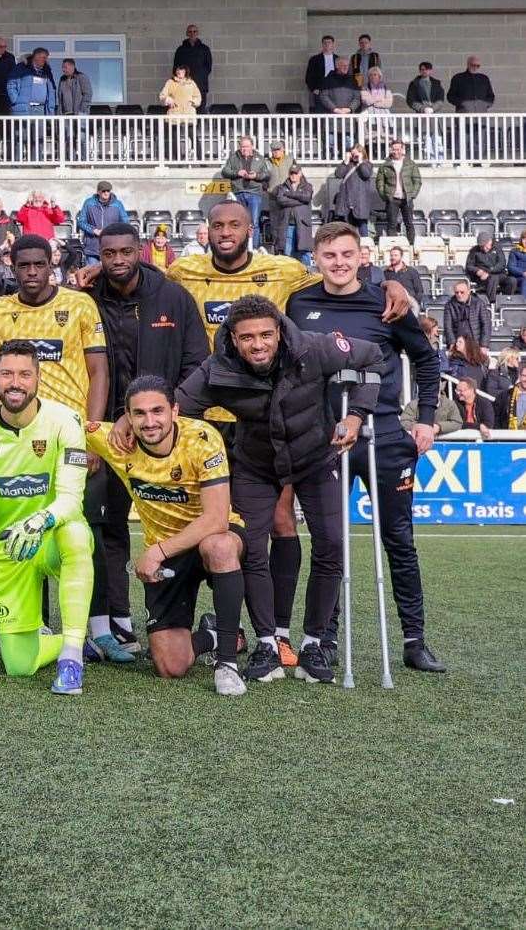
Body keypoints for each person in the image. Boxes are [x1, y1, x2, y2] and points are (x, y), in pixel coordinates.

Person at [145, 294, 381, 685]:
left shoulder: (313, 347)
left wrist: (355, 416)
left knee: (331, 544)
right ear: (233, 339)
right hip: (256, 465)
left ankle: (313, 643)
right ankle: (267, 643)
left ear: (279, 332)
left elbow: (373, 357)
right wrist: (223, 439)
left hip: (315, 459)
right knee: (252, 548)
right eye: (248, 337)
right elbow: (178, 407)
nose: (258, 345)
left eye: (266, 335)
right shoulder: (217, 367)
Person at [288, 222, 445, 674]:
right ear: (316, 259)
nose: (338, 263)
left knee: (399, 540)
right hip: (325, 439)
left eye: (346, 254)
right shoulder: (300, 303)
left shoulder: (387, 303)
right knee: (330, 543)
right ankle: (325, 638)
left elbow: (426, 361)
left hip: (385, 436)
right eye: (329, 255)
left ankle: (415, 641)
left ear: (361, 258)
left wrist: (428, 420)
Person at [83, 223, 209, 655]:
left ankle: (222, 625)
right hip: (104, 434)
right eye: (108, 253)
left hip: (160, 433)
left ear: (141, 251)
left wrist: (160, 419)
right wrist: (102, 422)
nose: (117, 259)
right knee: (104, 527)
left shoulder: (172, 297)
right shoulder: (85, 295)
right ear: (99, 254)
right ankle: (114, 621)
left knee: (188, 528)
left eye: (125, 251)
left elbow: (198, 364)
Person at [0, 340, 95, 693]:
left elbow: (71, 500)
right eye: (7, 373)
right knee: (18, 666)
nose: (16, 382)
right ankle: (67, 640)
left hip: (50, 535)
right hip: (9, 550)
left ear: (39, 378)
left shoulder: (64, 421)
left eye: (25, 374)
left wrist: (39, 520)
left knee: (76, 536)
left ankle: (71, 658)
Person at [83, 378, 246, 693]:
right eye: (139, 413)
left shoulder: (202, 438)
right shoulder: (115, 441)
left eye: (158, 411)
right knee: (170, 666)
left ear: (175, 410)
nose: (149, 421)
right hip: (169, 556)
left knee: (219, 546)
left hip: (207, 537)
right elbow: (56, 420)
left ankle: (227, 663)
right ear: (127, 417)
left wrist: (157, 550)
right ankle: (214, 634)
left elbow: (215, 519)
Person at [0, 236, 108, 424]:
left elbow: (99, 372)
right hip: (19, 427)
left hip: (71, 423)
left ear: (51, 266)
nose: (32, 272)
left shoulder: (80, 304)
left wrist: (93, 431)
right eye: (24, 265)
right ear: (12, 269)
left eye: (39, 264)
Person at [375, 139, 421, 246]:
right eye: (394, 149)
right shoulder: (385, 165)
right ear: (391, 150)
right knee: (391, 224)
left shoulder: (410, 164)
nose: (396, 151)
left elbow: (417, 180)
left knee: (409, 223)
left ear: (403, 150)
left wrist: (413, 194)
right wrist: (385, 195)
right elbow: (379, 182)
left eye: (398, 149)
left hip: (407, 199)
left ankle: (411, 246)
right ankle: (393, 247)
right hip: (392, 199)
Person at [220, 136, 268, 236]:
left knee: (254, 223)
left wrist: (256, 175)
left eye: (247, 146)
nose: (244, 149)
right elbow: (224, 171)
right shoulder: (233, 157)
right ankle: (240, 247)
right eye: (242, 146)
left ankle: (253, 249)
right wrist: (237, 173)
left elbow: (266, 174)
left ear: (252, 146)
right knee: (238, 222)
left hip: (254, 193)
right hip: (238, 193)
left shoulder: (260, 158)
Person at [270, 163, 317, 261]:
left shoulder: (307, 186)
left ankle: (307, 273)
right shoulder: (282, 187)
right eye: (291, 173)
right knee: (288, 253)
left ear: (300, 173)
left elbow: (307, 197)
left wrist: (290, 194)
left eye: (295, 173)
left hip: (302, 224)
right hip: (288, 225)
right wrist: (299, 200)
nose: (293, 175)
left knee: (304, 253)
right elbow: (281, 201)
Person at [75, 181, 129, 266]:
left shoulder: (118, 205)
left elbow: (125, 223)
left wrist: (113, 232)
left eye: (108, 191)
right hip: (93, 248)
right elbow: (81, 222)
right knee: (93, 276)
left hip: (112, 247)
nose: (106, 193)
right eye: (103, 191)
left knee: (110, 276)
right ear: (98, 192)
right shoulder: (89, 203)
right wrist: (93, 230)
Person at [467, 231, 516, 301]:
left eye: (485, 245)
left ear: (490, 241)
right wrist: (477, 270)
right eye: (481, 246)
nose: (484, 248)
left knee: (512, 280)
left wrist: (489, 271)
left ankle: (506, 301)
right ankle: (491, 302)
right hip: (482, 277)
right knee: (494, 278)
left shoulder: (497, 248)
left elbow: (502, 264)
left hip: (498, 274)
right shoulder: (474, 251)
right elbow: (469, 266)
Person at [173, 24, 213, 108]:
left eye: (194, 31)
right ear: (187, 33)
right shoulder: (180, 50)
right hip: (184, 86)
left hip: (200, 85)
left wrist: (201, 76)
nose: (192, 33)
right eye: (190, 32)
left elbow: (208, 67)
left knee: (200, 110)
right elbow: (176, 67)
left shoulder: (204, 49)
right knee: (186, 110)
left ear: (197, 33)